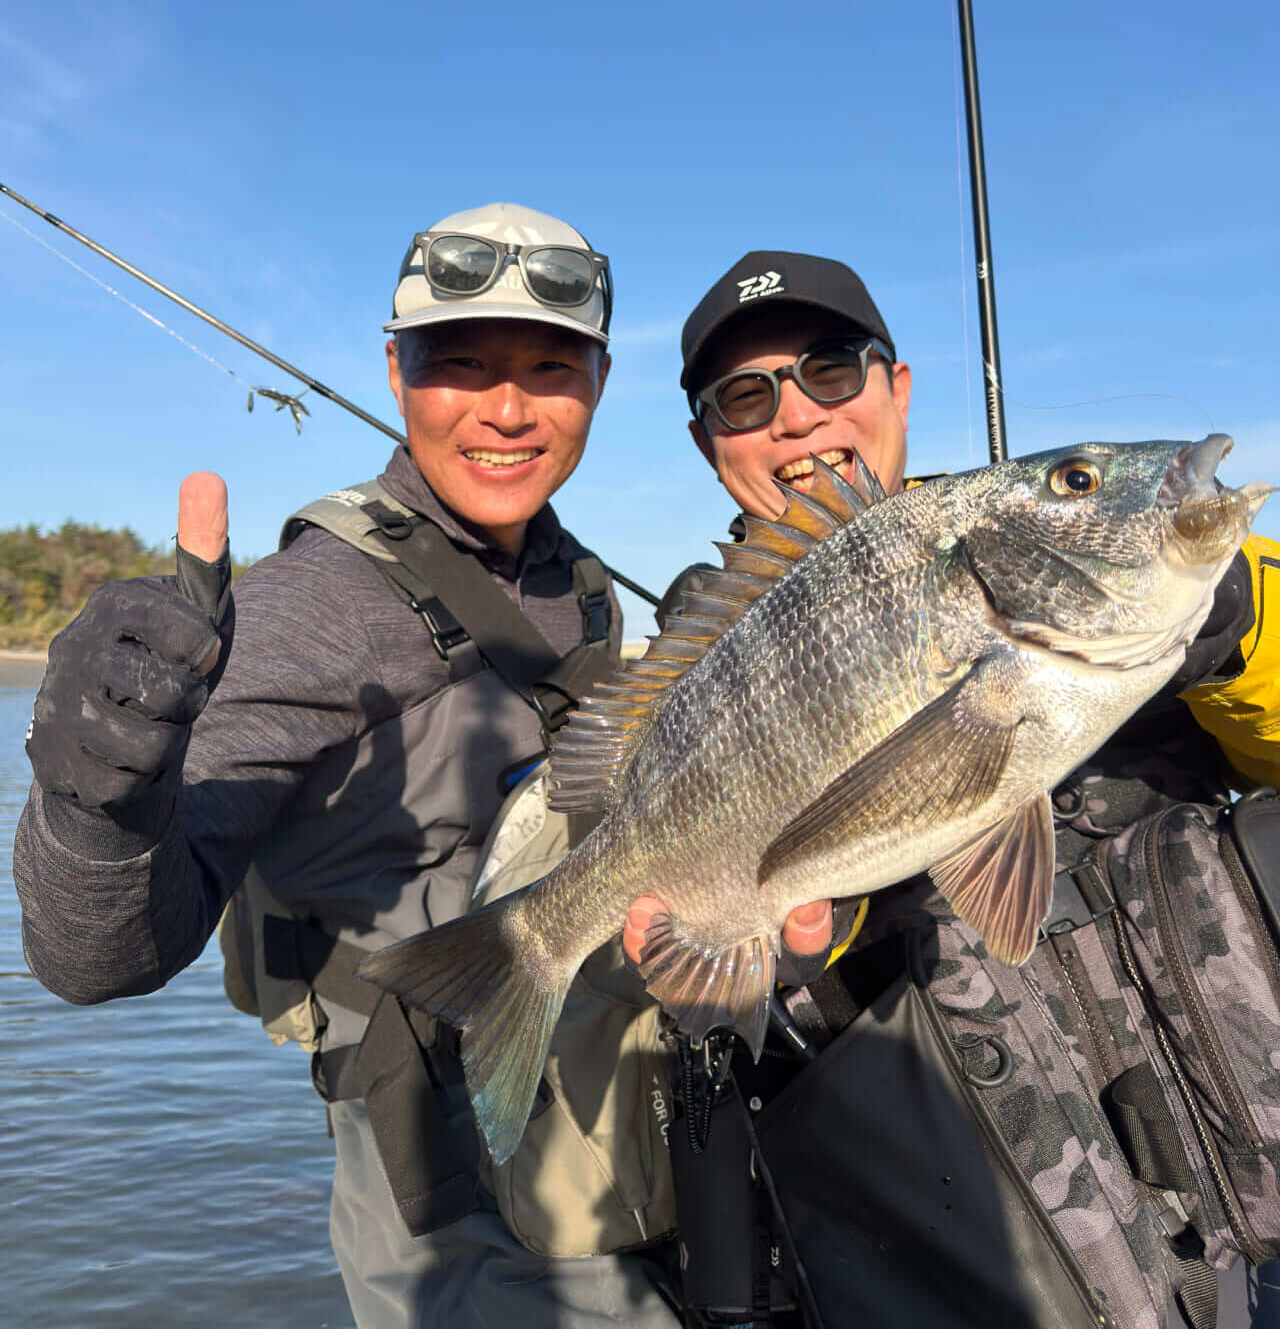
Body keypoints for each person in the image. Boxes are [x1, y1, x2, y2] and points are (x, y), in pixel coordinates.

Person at [14, 203, 684, 1328]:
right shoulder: (312, 606)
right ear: (393, 372)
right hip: (439, 1175)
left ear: (601, 382)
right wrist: (95, 804)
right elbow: (94, 961)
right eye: (458, 364)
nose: (506, 409)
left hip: (605, 1097)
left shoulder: (578, 584)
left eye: (550, 368)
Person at [624, 249, 1280, 1328]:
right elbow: (707, 949)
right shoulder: (693, 674)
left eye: (830, 369)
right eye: (745, 397)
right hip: (990, 1252)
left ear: (896, 387)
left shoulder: (1099, 562)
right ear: (709, 444)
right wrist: (785, 940)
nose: (795, 415)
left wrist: (1237, 624)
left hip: (1237, 1176)